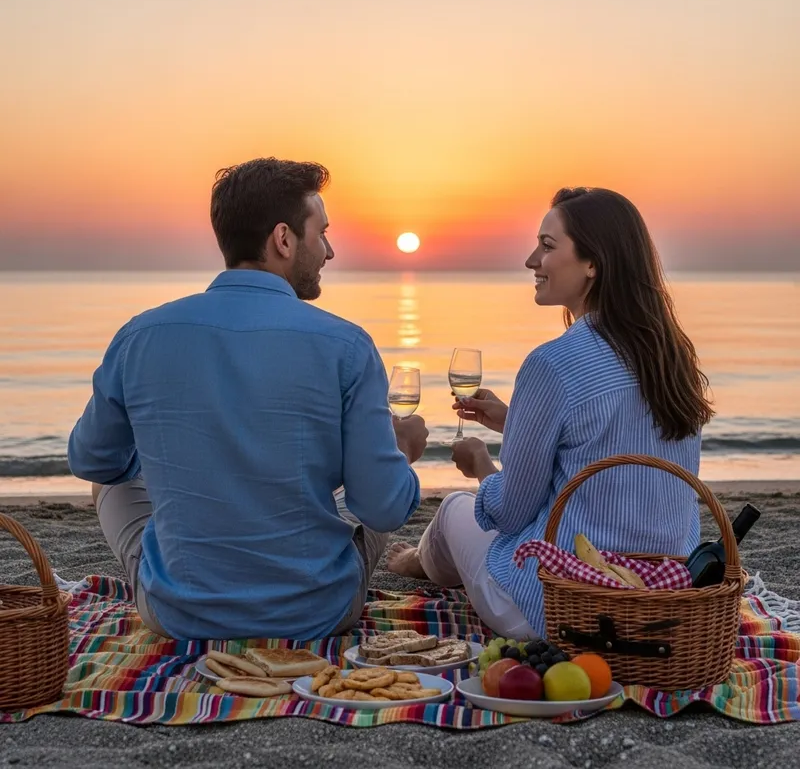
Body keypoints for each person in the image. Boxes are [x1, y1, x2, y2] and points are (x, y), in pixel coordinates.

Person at [68, 158, 428, 641]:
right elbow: (382, 509)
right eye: (321, 233)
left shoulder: (140, 336)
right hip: (317, 613)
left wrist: (180, 460)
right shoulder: (347, 346)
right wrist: (401, 451)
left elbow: (92, 460)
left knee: (109, 485)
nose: (329, 250)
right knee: (379, 484)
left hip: (180, 614)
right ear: (283, 239)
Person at [387, 187, 713, 639]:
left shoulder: (553, 363)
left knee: (454, 509)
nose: (531, 260)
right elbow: (612, 447)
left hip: (556, 607)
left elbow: (510, 514)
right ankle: (426, 560)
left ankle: (417, 562)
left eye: (547, 245)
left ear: (593, 263)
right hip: (658, 601)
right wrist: (516, 423)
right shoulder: (672, 358)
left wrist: (480, 465)